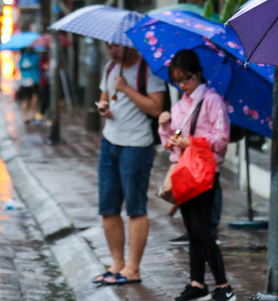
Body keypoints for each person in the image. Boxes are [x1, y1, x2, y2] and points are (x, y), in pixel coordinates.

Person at [158, 49, 234, 301]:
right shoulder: (179, 105)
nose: (182, 85)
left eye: (186, 78)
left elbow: (222, 139)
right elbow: (170, 142)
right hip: (184, 171)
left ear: (198, 74)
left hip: (204, 172)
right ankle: (197, 283)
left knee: (203, 230)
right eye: (177, 80)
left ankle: (223, 285)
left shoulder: (212, 100)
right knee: (192, 230)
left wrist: (192, 142)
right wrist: (164, 126)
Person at [92, 42, 166, 287]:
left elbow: (156, 108)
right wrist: (103, 108)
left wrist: (126, 89)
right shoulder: (110, 66)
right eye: (109, 46)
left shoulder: (148, 71)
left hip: (137, 145)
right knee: (108, 207)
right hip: (110, 142)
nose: (112, 50)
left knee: (135, 206)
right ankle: (116, 263)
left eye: (117, 46)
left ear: (129, 45)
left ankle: (133, 268)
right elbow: (104, 98)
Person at [17, 46, 42, 123]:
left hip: (24, 81)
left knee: (26, 99)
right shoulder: (36, 57)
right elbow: (39, 66)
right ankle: (32, 113)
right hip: (34, 80)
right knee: (34, 97)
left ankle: (25, 116)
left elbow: (20, 67)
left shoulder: (22, 57)